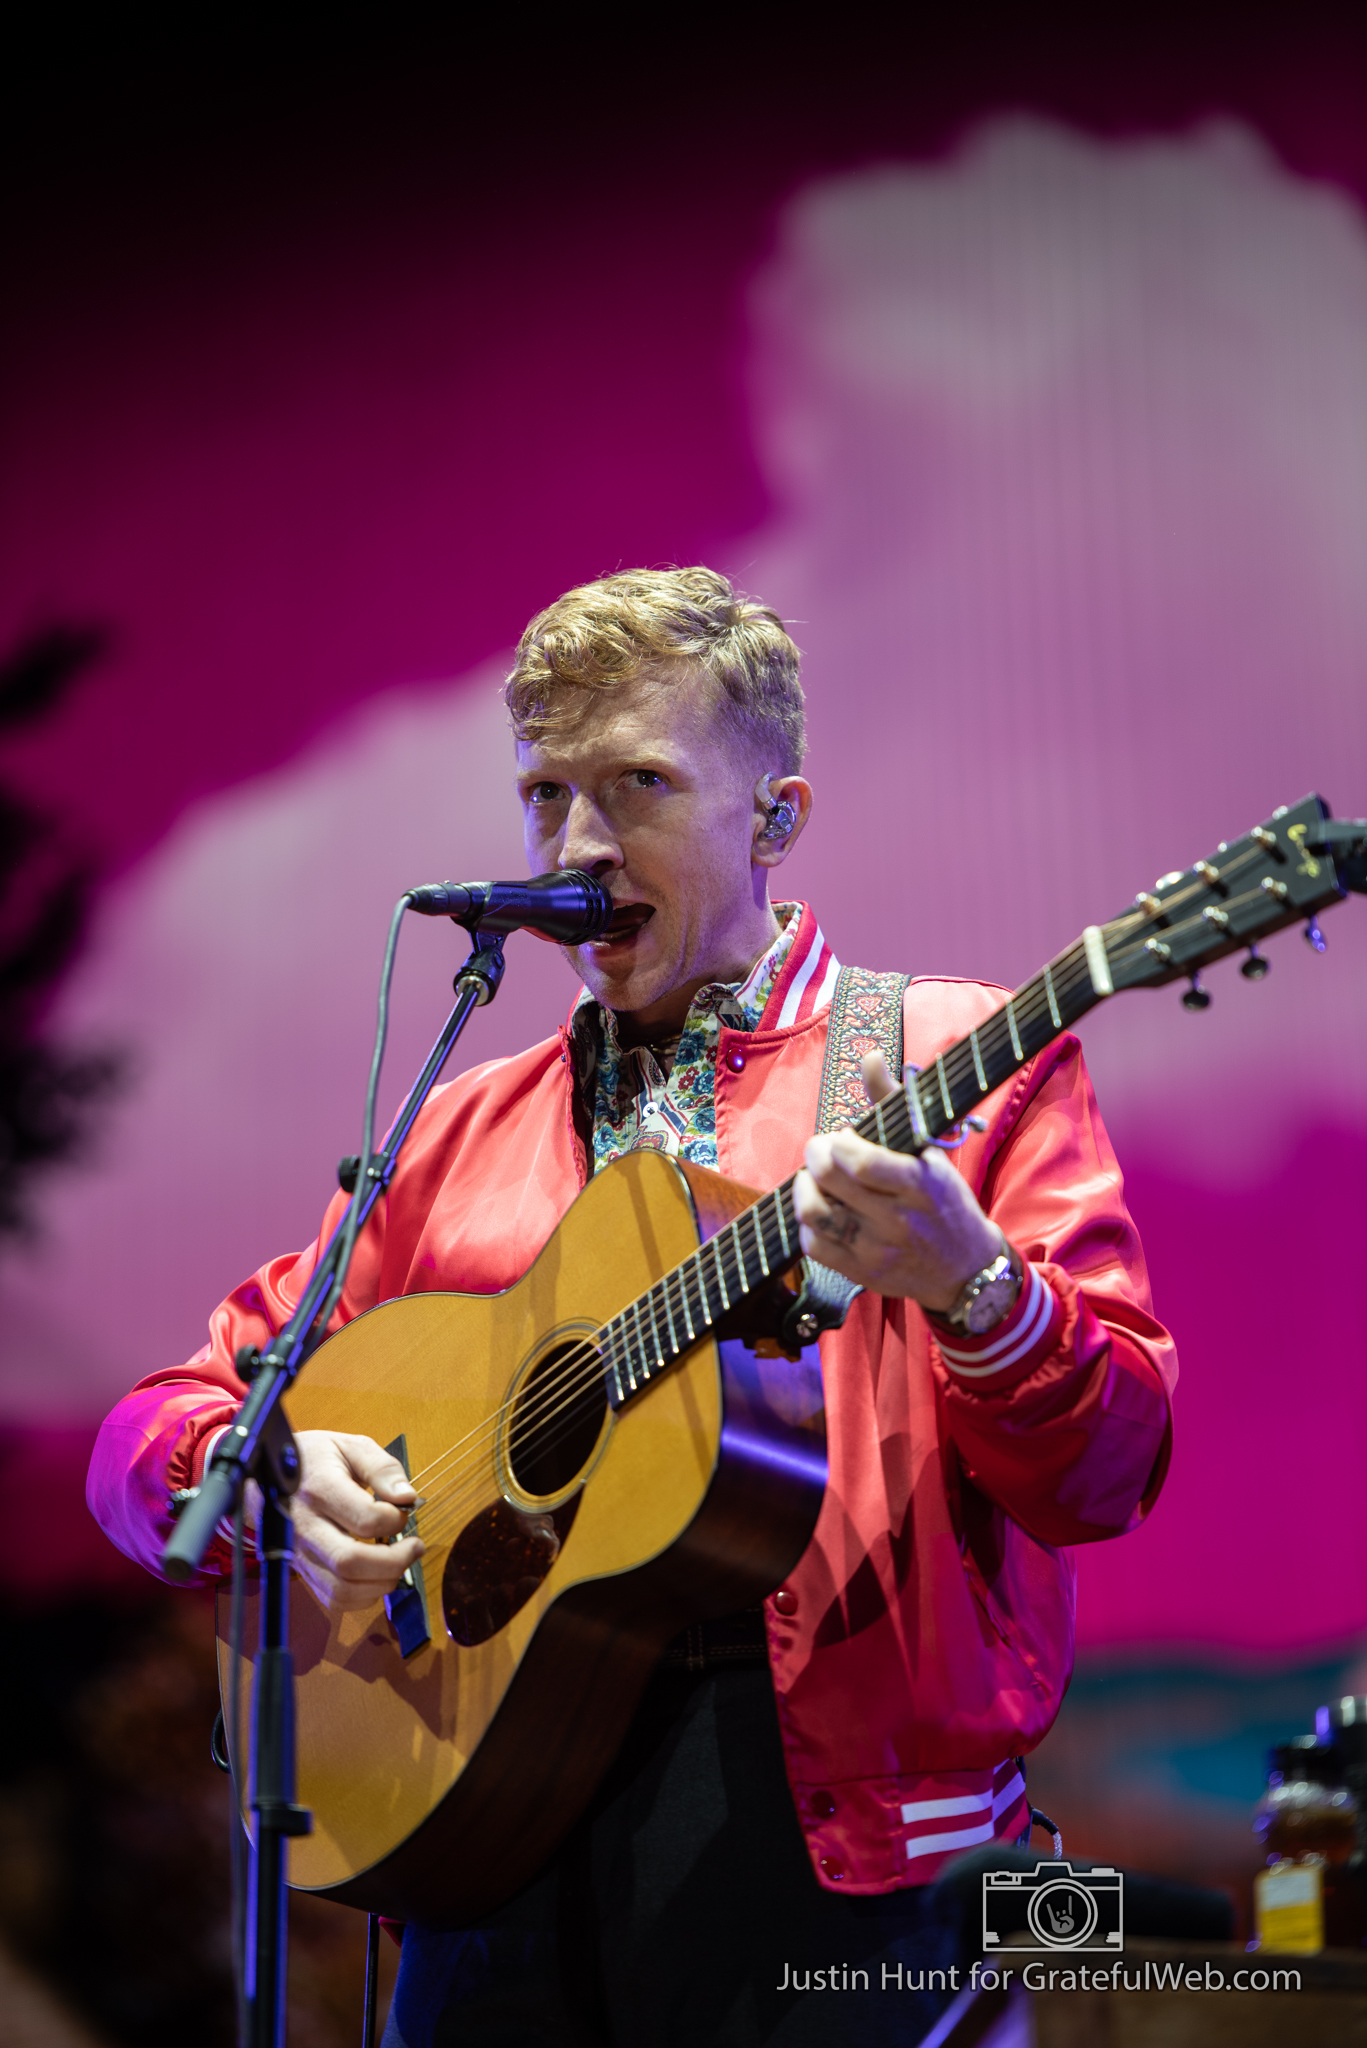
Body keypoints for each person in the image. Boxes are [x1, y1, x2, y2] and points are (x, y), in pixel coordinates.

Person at [88, 567, 1175, 2047]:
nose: (580, 845)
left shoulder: (947, 1060)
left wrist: (979, 1294)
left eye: (639, 785)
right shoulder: (455, 1133)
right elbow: (167, 1424)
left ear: (776, 818)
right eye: (547, 796)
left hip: (839, 1865)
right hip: (481, 1827)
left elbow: (1109, 1469)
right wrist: (267, 1473)